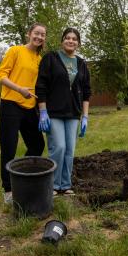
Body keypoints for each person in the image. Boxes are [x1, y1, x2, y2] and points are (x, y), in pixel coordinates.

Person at [0, 22, 46, 204]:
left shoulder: (39, 59)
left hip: (29, 107)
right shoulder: (15, 51)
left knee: (37, 144)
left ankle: (19, 174)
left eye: (42, 35)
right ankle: (8, 189)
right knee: (8, 147)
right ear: (29, 33)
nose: (39, 37)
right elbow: (0, 75)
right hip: (10, 104)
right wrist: (19, 89)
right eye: (36, 33)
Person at [36, 27, 91, 196]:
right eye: (67, 37)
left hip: (73, 113)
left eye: (74, 39)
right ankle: (53, 185)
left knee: (70, 150)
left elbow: (87, 91)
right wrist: (43, 111)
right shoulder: (51, 58)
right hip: (53, 112)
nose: (71, 41)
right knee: (58, 147)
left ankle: (65, 185)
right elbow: (41, 86)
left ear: (78, 43)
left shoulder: (82, 64)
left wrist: (85, 116)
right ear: (62, 41)